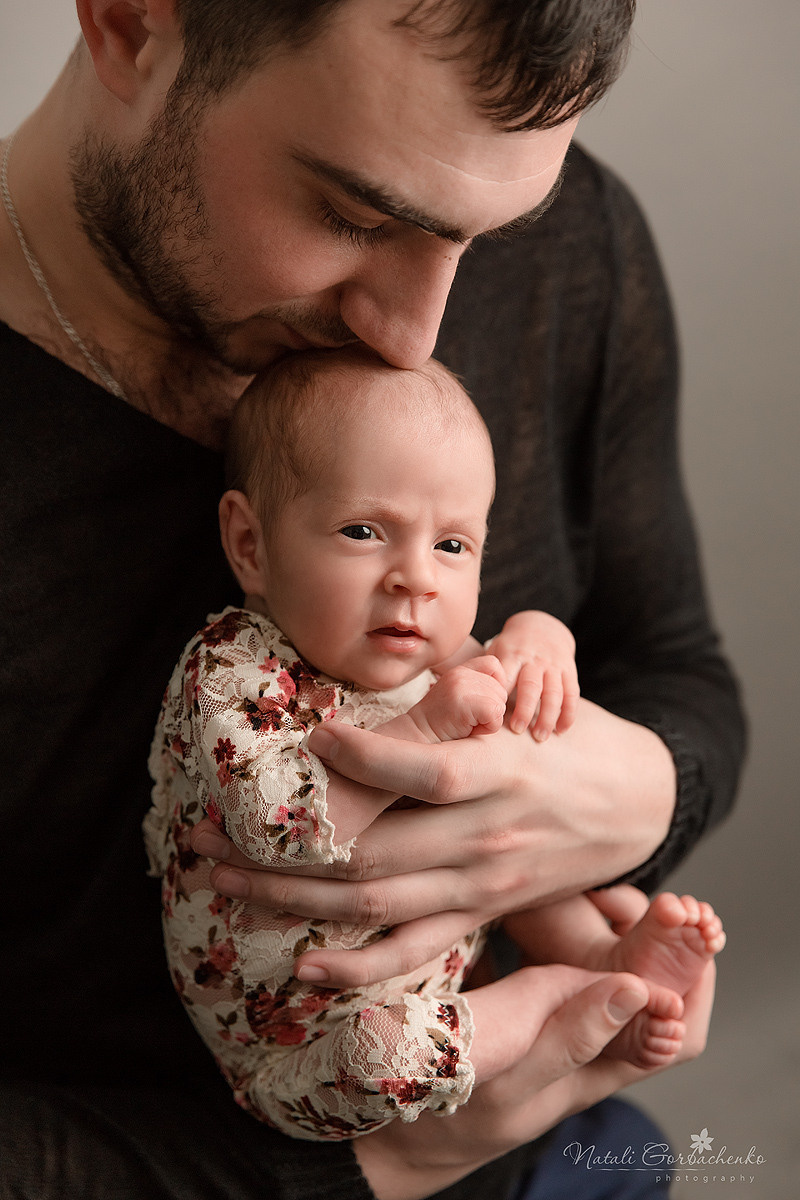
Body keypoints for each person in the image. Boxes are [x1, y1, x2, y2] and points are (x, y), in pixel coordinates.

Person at [0, 0, 744, 1197]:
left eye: (488, 234)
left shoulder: (565, 248)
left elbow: (675, 662)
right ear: (133, 23)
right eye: (352, 213)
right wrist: (389, 1162)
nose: (415, 338)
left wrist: (633, 799)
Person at [145, 347, 725, 1140]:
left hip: (453, 923)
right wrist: (424, 728)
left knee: (515, 808)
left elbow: (532, 734)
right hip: (300, 1042)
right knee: (390, 1056)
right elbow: (272, 824)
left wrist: (538, 639)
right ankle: (561, 1003)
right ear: (251, 544)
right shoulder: (233, 670)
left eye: (453, 546)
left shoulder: (432, 660)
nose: (416, 579)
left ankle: (603, 959)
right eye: (363, 530)